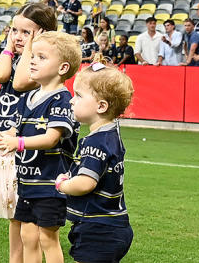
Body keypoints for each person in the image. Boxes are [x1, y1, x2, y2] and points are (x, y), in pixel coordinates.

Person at [0, 31, 80, 263]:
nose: (32, 60)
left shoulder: (62, 100)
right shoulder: (28, 98)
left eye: (41, 57)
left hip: (51, 185)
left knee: (47, 239)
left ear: (62, 68)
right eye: (33, 56)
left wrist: (17, 143)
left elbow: (51, 138)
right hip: (28, 183)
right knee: (27, 235)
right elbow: (14, 132)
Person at [0, 3, 57, 261]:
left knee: (29, 220)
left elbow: (21, 82)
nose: (18, 36)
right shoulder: (14, 57)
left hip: (27, 147)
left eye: (26, 32)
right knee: (15, 215)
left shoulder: (39, 64)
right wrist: (10, 47)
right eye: (14, 30)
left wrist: (31, 47)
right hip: (7, 143)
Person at [56, 60, 135, 263]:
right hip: (113, 225)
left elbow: (85, 184)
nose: (72, 101)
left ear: (101, 106)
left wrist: (64, 185)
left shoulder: (96, 143)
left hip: (98, 229)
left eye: (79, 95)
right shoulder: (111, 134)